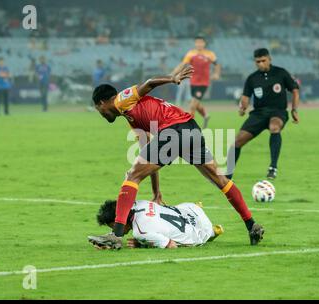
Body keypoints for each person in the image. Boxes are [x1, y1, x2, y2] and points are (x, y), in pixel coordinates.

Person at [91, 64, 264, 250]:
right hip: (191, 129)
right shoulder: (132, 118)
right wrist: (156, 192)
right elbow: (147, 159)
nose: (101, 114)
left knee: (131, 176)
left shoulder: (120, 100)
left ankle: (116, 236)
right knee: (220, 179)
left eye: (98, 109)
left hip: (174, 130)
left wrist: (172, 79)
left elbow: (149, 83)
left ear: (102, 103)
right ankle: (251, 224)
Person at [226, 48, 300, 180]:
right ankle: (227, 174)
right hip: (258, 114)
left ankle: (273, 167)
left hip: (278, 111)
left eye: (263, 61)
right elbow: (245, 97)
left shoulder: (281, 73)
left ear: (269, 59)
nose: (260, 64)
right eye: (257, 62)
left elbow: (294, 90)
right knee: (237, 142)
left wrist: (294, 109)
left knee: (274, 127)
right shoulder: (252, 78)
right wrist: (242, 107)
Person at [88, 199, 224, 249]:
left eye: (113, 226)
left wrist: (143, 245)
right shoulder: (139, 203)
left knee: (190, 238)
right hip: (192, 210)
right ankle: (212, 227)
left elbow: (172, 246)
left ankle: (213, 232)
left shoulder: (139, 232)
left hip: (199, 233)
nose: (115, 229)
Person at [172, 36, 221, 128]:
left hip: (203, 83)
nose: (199, 44)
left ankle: (190, 127)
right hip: (193, 82)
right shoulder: (191, 53)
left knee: (192, 105)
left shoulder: (209, 54)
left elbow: (217, 64)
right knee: (195, 103)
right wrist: (173, 74)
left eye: (201, 42)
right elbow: (182, 64)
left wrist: (216, 74)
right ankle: (205, 115)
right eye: (197, 42)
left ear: (204, 43)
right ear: (195, 43)